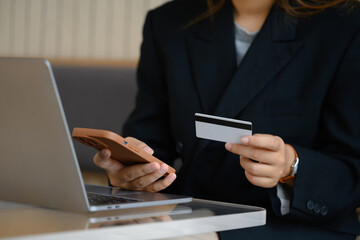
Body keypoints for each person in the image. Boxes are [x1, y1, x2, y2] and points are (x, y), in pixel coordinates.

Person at [93, 0, 360, 238]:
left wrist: (292, 166)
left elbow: (352, 168)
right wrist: (130, 173)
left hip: (292, 224)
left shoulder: (346, 23)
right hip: (193, 212)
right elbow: (150, 141)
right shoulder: (168, 22)